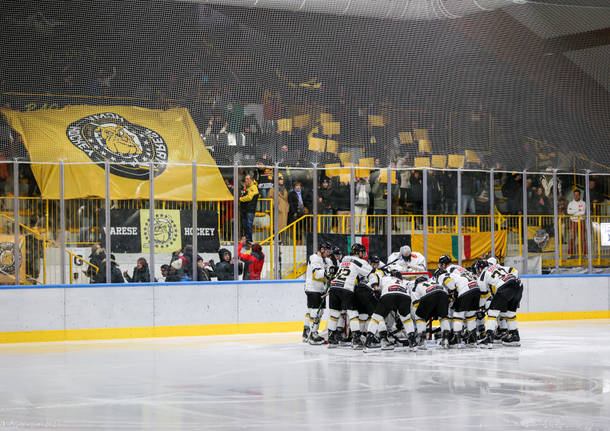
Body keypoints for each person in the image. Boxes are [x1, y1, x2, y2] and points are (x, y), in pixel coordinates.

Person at [327, 243, 373, 349]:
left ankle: (331, 339)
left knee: (334, 314)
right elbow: (370, 271)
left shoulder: (344, 259)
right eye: (362, 252)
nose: (363, 254)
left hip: (334, 287)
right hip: (346, 288)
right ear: (358, 253)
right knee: (353, 314)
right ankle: (356, 340)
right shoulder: (360, 261)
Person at [474, 259, 523, 348]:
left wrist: (480, 308)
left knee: (492, 312)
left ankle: (489, 339)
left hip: (505, 286)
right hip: (518, 284)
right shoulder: (497, 266)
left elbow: (483, 295)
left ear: (480, 269)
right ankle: (514, 337)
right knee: (510, 313)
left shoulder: (482, 275)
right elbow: (514, 271)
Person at [436, 255, 481, 348]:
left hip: (464, 289)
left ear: (444, 265)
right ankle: (472, 339)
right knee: (471, 316)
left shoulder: (447, 271)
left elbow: (451, 285)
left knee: (458, 316)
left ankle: (456, 340)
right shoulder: (459, 267)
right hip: (476, 288)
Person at [364, 269, 414, 351]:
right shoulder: (405, 281)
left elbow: (372, 275)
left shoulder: (385, 278)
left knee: (376, 318)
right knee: (407, 319)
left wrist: (376, 288)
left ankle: (368, 341)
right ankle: (413, 342)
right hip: (404, 296)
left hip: (388, 294)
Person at [303, 241, 333, 344]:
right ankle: (313, 333)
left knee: (313, 311)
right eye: (327, 251)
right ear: (322, 250)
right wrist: (327, 273)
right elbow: (316, 274)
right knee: (316, 312)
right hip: (313, 288)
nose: (328, 253)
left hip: (320, 289)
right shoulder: (314, 258)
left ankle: (307, 332)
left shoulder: (327, 260)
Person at [410, 276, 451, 349]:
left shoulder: (416, 286)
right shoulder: (435, 282)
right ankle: (446, 339)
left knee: (419, 316)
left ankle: (422, 341)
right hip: (443, 295)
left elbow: (416, 305)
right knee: (443, 316)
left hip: (429, 296)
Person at [239, 174, 259, 242]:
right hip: (245, 210)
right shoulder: (247, 188)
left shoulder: (254, 187)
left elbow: (249, 197)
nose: (246, 180)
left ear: (251, 180)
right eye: (245, 179)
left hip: (250, 210)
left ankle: (250, 240)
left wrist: (240, 199)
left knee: (249, 225)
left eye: (247, 179)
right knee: (245, 226)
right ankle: (247, 239)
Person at [567, 189, 586, 256]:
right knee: (572, 238)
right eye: (575, 195)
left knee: (583, 238)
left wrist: (574, 211)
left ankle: (585, 254)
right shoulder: (570, 203)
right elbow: (569, 212)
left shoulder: (583, 203)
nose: (576, 196)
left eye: (577, 195)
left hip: (581, 222)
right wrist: (578, 210)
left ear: (579, 195)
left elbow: (583, 212)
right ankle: (570, 254)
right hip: (573, 222)